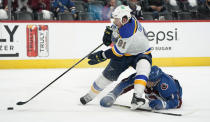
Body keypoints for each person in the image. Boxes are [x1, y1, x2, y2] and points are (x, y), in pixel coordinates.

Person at [80, 5, 152, 110]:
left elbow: (117, 52)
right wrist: (109, 37)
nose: (114, 21)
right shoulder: (125, 20)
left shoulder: (128, 31)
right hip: (125, 53)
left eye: (116, 19)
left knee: (144, 68)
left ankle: (137, 98)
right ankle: (89, 96)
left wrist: (101, 55)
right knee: (106, 77)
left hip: (141, 53)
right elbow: (114, 39)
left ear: (124, 19)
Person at [100, 66, 183, 110]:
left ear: (158, 80)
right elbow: (125, 84)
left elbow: (177, 102)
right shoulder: (142, 75)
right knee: (146, 90)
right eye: (146, 80)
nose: (147, 83)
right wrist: (113, 95)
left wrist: (164, 105)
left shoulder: (167, 84)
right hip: (157, 92)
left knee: (154, 97)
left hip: (173, 93)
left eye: (150, 81)